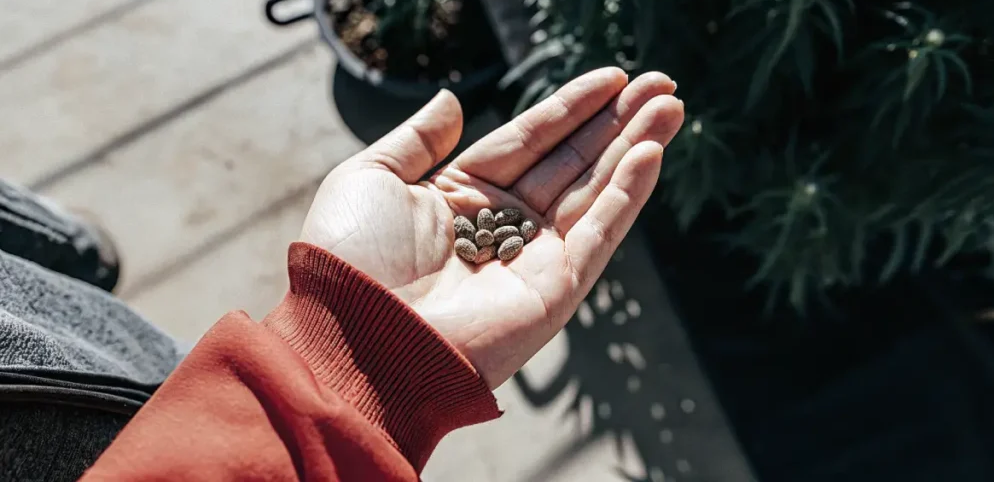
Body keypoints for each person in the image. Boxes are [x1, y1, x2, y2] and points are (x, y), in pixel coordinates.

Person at [0, 68, 685, 480]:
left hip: (113, 367)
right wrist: (357, 361)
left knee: (110, 335)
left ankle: (68, 249)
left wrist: (333, 349)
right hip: (135, 420)